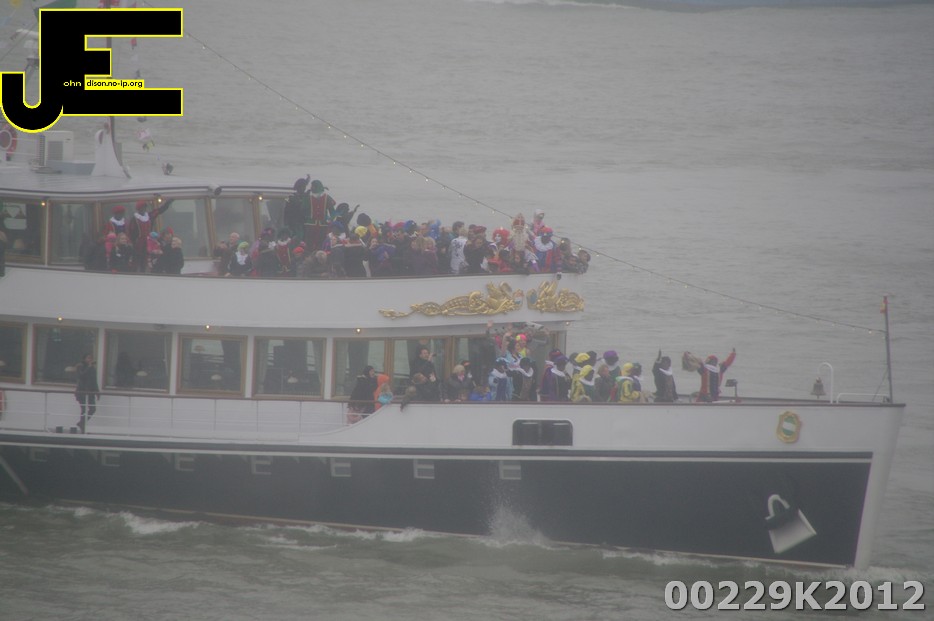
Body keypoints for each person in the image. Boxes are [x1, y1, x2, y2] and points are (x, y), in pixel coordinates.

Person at [127, 199, 170, 272]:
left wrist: (168, 203)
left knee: (147, 261)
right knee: (137, 262)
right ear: (138, 209)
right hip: (138, 245)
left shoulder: (149, 216)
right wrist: (134, 243)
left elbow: (159, 211)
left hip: (148, 242)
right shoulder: (134, 220)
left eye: (144, 207)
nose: (143, 209)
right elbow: (130, 233)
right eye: (142, 208)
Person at [74, 353, 100, 432]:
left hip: (90, 392)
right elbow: (81, 376)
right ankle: (82, 427)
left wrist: (97, 392)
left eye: (91, 358)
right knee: (84, 409)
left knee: (92, 409)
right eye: (88, 358)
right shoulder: (80, 366)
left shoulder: (92, 368)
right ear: (84, 359)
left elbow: (94, 381)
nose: (90, 360)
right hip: (81, 391)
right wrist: (89, 367)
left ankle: (81, 423)